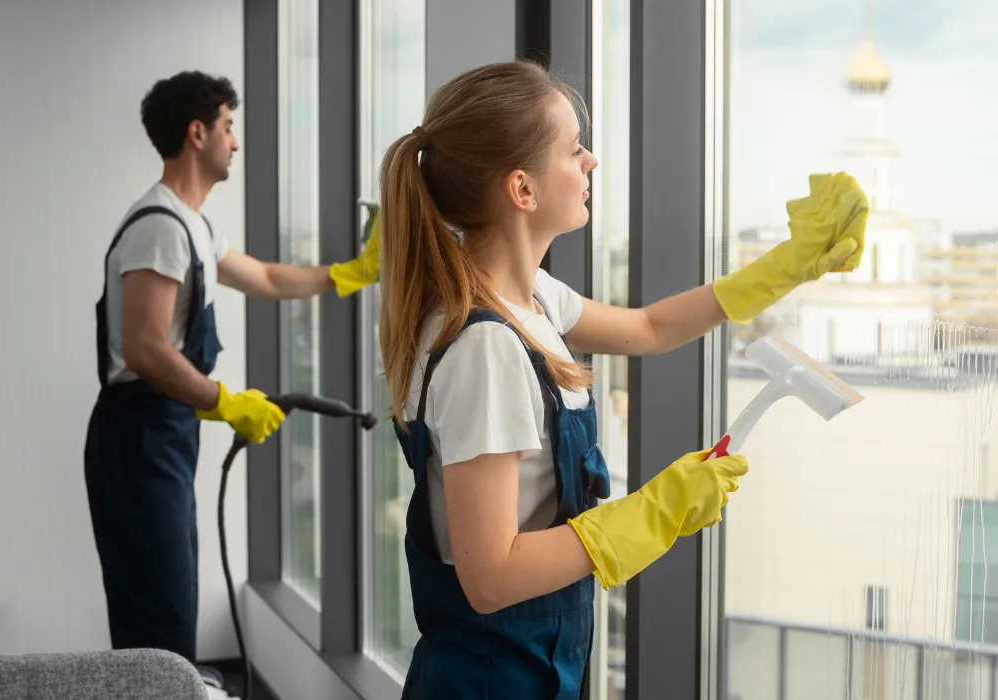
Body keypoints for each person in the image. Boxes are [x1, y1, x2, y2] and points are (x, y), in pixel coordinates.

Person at [377, 61, 868, 699]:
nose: (592, 162)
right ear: (522, 190)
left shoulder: (529, 302)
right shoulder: (487, 348)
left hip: (532, 668)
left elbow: (648, 328)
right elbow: (489, 575)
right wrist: (654, 512)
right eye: (573, 149)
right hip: (491, 680)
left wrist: (788, 265)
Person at [84, 70, 377, 668]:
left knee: (170, 598)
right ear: (199, 133)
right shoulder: (160, 228)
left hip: (162, 433)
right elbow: (144, 349)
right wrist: (224, 401)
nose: (236, 142)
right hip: (139, 436)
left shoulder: (193, 225)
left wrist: (351, 273)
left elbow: (266, 278)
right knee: (158, 611)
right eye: (229, 126)